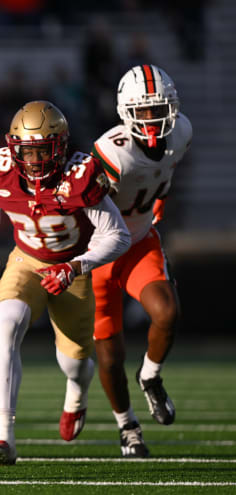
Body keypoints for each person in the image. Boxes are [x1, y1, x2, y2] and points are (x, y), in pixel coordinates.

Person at [0, 100, 131, 465]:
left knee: (73, 362)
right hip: (26, 261)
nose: (35, 160)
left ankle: (76, 392)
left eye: (44, 150)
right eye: (27, 151)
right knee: (7, 325)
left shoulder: (82, 175)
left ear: (60, 147)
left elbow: (118, 236)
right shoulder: (1, 171)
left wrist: (76, 267)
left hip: (72, 269)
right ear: (14, 148)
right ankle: (3, 437)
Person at [90, 64, 192, 457]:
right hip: (99, 251)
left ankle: (150, 376)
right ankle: (127, 427)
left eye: (158, 109)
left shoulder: (181, 132)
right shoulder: (111, 151)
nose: (151, 118)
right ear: (125, 110)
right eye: (143, 110)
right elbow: (79, 200)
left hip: (138, 243)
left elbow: (163, 172)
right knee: (110, 354)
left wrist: (159, 199)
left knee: (166, 312)